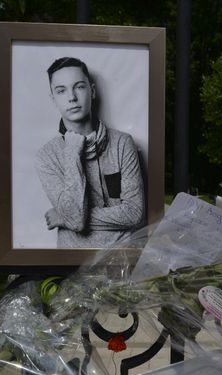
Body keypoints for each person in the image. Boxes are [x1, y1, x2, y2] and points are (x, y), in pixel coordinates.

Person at [35, 57, 145, 248]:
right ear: (53, 99)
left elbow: (134, 213)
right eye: (61, 91)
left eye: (79, 87)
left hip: (120, 259)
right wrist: (71, 154)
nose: (72, 97)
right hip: (70, 261)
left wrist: (64, 217)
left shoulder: (122, 143)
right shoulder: (46, 156)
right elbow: (76, 220)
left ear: (92, 91)